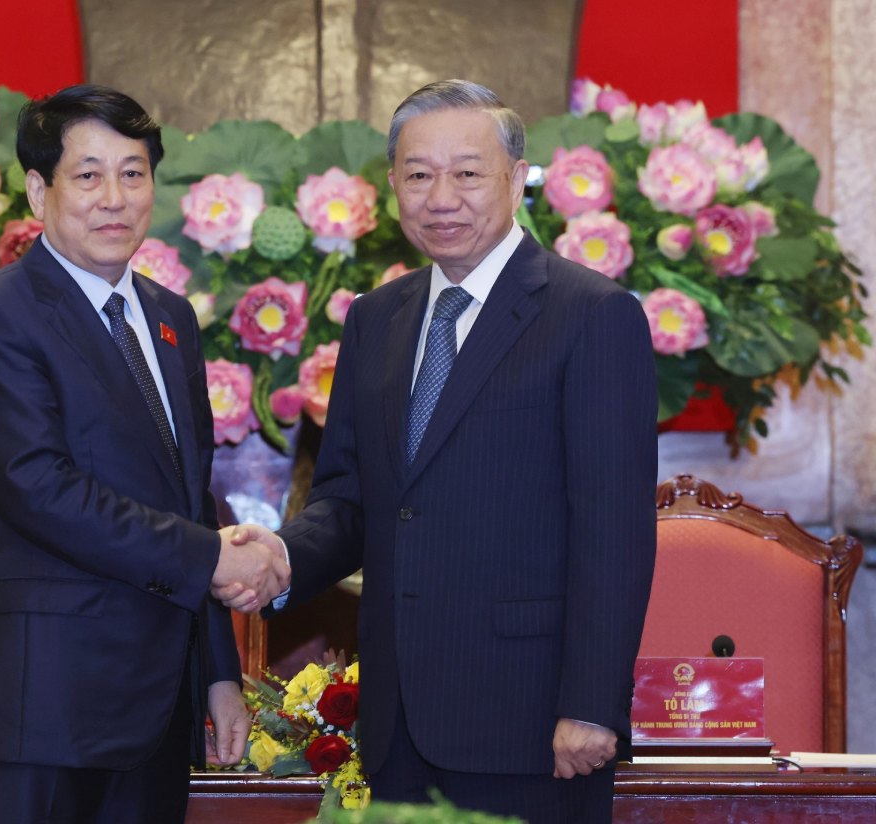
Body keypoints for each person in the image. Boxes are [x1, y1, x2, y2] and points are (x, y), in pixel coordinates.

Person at [223, 80, 657, 821]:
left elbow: (613, 531)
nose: (441, 196)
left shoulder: (592, 315)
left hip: (533, 722)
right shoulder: (376, 320)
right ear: (392, 186)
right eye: (419, 175)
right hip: (398, 723)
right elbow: (352, 497)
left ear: (517, 179)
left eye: (468, 173)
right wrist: (284, 556)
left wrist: (591, 705)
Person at [0, 84, 289, 824]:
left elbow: (190, 500)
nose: (113, 196)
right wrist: (214, 559)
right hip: (38, 707)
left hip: (154, 711)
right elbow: (41, 490)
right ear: (38, 190)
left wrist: (218, 672)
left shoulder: (170, 317)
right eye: (87, 175)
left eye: (133, 172)